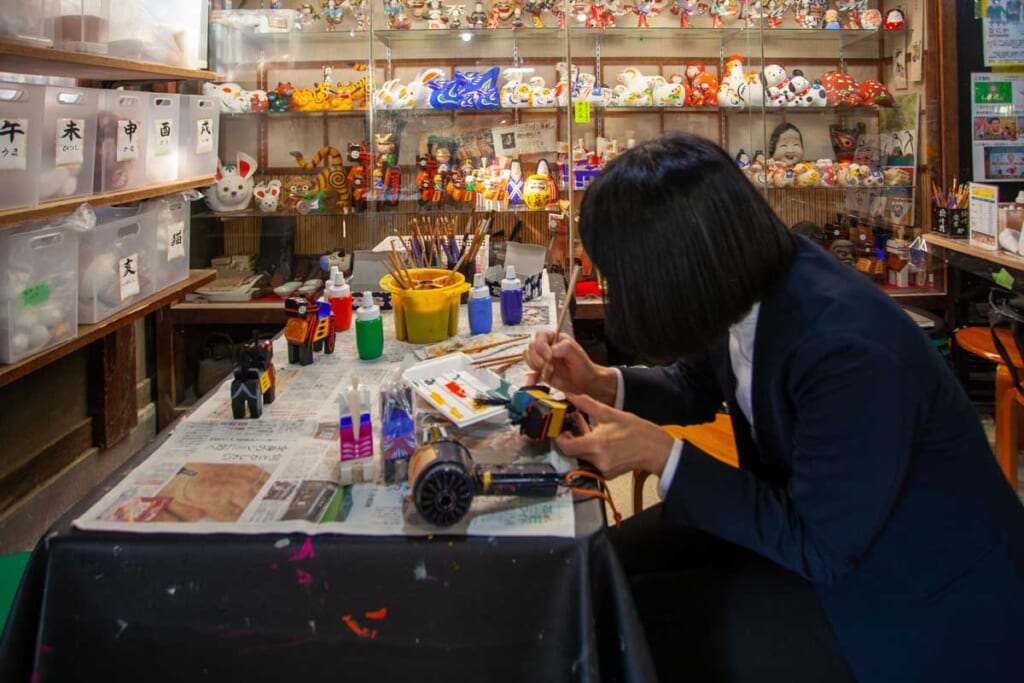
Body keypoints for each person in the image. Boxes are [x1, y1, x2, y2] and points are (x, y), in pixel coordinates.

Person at [524, 133, 1024, 682]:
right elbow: (694, 385)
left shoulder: (846, 348)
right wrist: (597, 381)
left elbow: (820, 544)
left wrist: (661, 455)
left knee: (631, 623)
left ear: (676, 267)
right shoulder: (745, 280)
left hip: (905, 598)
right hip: (803, 525)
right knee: (593, 568)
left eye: (624, 279)